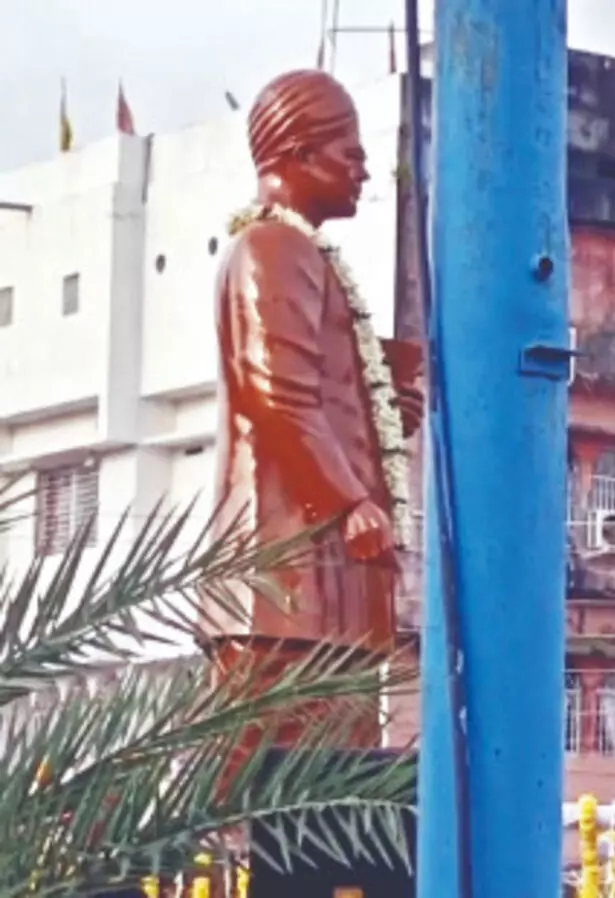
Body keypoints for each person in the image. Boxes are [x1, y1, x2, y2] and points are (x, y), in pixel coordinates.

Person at [208, 69, 425, 745]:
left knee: (326, 807)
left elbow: (317, 394)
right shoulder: (271, 248)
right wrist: (350, 501)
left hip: (319, 585)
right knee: (278, 806)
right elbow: (278, 392)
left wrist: (385, 396)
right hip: (284, 580)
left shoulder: (303, 254)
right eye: (351, 154)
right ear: (300, 154)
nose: (364, 172)